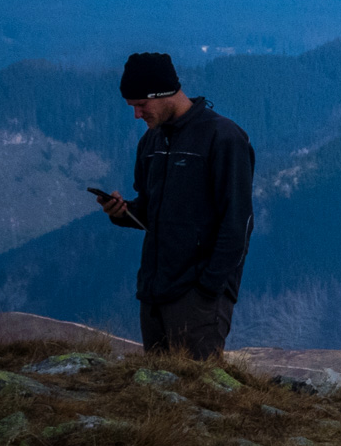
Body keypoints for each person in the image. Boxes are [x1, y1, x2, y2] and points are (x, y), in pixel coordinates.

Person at [92, 52, 255, 359]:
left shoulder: (223, 138)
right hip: (154, 292)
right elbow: (152, 210)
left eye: (142, 105)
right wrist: (123, 212)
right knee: (158, 392)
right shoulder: (151, 143)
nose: (137, 115)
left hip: (197, 296)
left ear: (165, 93)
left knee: (196, 393)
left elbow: (238, 223)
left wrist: (209, 289)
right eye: (133, 107)